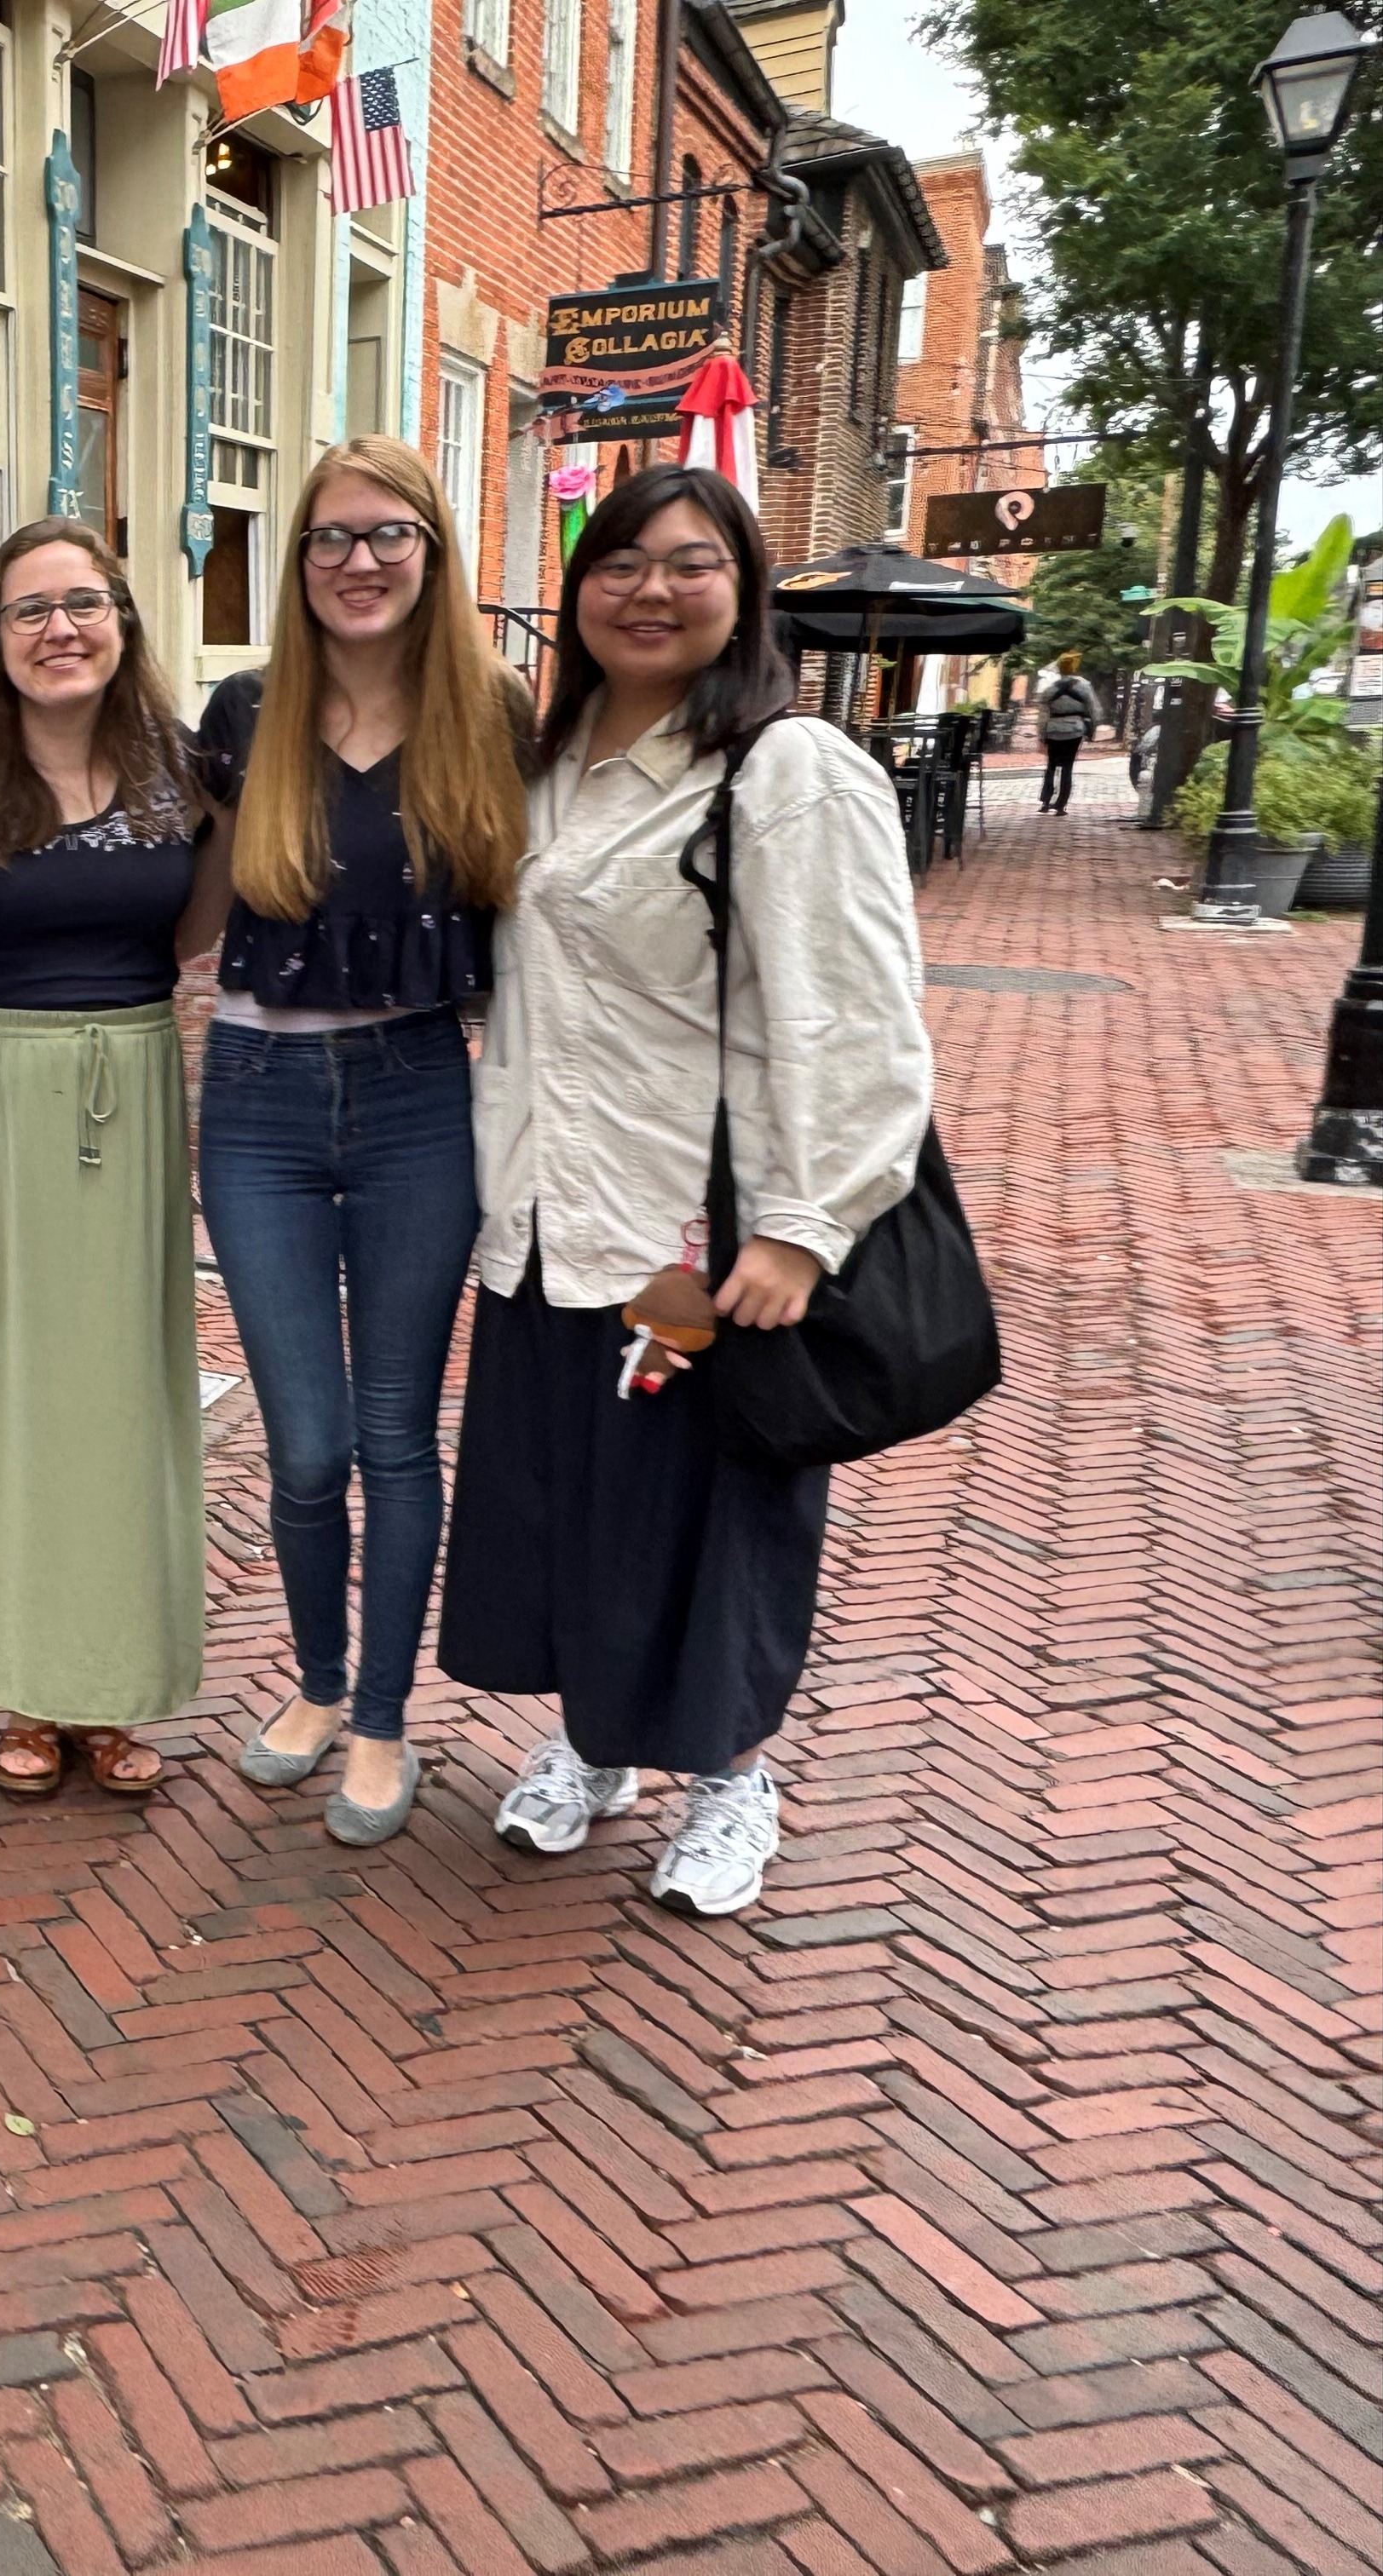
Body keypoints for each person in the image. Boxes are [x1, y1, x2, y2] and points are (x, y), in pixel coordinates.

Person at [439, 459, 932, 1919]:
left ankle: (730, 1774)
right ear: (578, 587)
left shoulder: (784, 772)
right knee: (577, 1498)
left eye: (687, 563)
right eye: (619, 562)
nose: (648, 590)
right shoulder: (544, 767)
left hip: (687, 1238)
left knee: (710, 1504)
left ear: (742, 592)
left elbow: (856, 1019)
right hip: (540, 1214)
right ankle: (595, 1744)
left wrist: (805, 1224)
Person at [199, 437, 530, 1846]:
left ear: (431, 551)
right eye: (330, 537)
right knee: (305, 1439)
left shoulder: (494, 716)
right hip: (256, 1101)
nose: (357, 561)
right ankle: (317, 1681)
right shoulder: (238, 714)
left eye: (386, 534)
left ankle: (383, 1712)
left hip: (414, 1095)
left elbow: (535, 928)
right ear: (298, 561)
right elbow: (184, 904)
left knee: (397, 1430)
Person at [0, 520, 222, 1800]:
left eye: (82, 603)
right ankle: (21, 1686)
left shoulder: (185, 775)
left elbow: (199, 933)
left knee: (117, 1400)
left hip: (130, 1086)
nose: (59, 630)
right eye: (28, 610)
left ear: (122, 624)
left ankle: (108, 1686)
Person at [1034, 653, 1100, 814]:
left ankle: (1045, 801)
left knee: (1051, 765)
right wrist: (1093, 729)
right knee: (1067, 767)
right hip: (1074, 730)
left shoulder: (1051, 689)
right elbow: (1093, 709)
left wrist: (1042, 733)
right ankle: (1061, 805)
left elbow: (1043, 714)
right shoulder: (1083, 687)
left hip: (1054, 729)